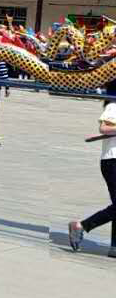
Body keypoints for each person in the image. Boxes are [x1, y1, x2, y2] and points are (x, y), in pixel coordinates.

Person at [68, 80, 116, 258]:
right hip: (112, 160)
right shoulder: (113, 104)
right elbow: (104, 128)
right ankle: (81, 225)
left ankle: (114, 247)